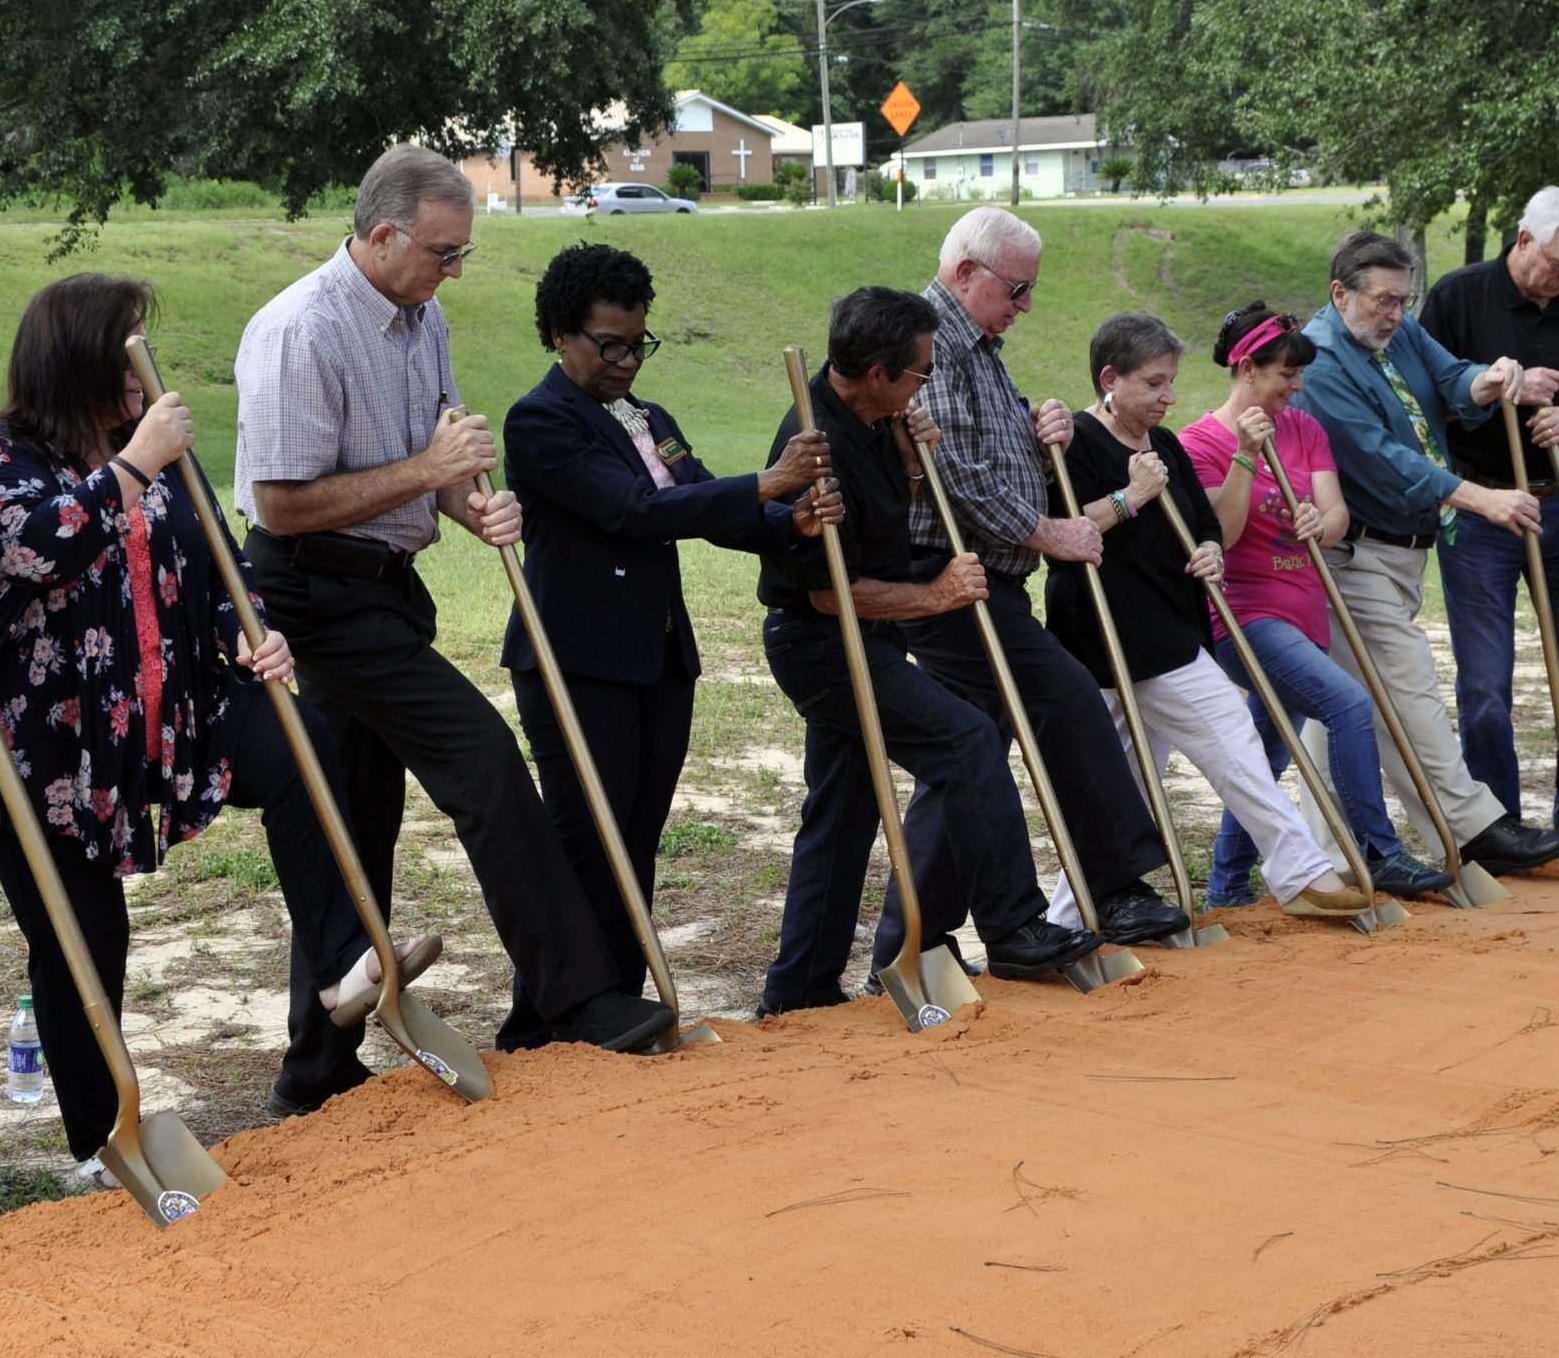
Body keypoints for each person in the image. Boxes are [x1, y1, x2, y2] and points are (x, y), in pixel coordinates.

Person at [0, 274, 428, 1186]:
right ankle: (104, 1136)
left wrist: (250, 635)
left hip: (172, 715)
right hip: (44, 746)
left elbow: (211, 561)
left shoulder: (152, 446)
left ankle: (340, 965)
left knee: (302, 745)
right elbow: (37, 550)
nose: (141, 371)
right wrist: (133, 468)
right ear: (77, 356)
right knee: (84, 941)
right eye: (125, 349)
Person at [234, 145, 675, 1091]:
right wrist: (427, 477)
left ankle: (314, 1068)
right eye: (442, 251)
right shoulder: (300, 331)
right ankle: (579, 997)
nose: (455, 270)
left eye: (461, 251)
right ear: (381, 234)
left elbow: (431, 459)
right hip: (311, 592)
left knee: (357, 823)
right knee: (483, 761)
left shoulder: (418, 313)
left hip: (387, 586)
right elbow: (281, 505)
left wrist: (470, 505)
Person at [495, 243, 841, 1044]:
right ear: (559, 334)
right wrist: (766, 484)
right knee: (590, 839)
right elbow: (631, 512)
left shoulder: (652, 420)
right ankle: (543, 1023)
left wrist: (792, 521)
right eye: (608, 344)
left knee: (637, 834)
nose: (624, 361)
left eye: (637, 342)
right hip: (575, 661)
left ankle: (611, 1000)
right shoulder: (540, 419)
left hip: (657, 659)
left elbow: (701, 505)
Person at [756, 287, 1103, 1013]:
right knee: (968, 738)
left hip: (861, 636)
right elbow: (832, 592)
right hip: (824, 643)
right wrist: (937, 595)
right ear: (878, 371)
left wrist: (914, 463)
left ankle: (798, 990)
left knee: (844, 808)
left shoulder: (879, 418)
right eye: (919, 370)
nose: (927, 381)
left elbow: (888, 519)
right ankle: (1012, 927)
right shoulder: (818, 444)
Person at [896, 207, 1191, 950]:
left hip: (988, 577)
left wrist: (1039, 429)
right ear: (967, 273)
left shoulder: (981, 345)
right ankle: (1113, 888)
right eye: (1017, 289)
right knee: (1065, 698)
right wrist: (1044, 529)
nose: (1027, 306)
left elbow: (997, 456)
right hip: (948, 577)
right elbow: (953, 478)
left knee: (967, 759)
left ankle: (912, 943)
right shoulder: (928, 342)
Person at [1040, 314, 1373, 921]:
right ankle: (1301, 871)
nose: (1169, 397)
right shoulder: (1075, 442)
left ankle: (1069, 917)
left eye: (1171, 383)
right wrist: (1131, 497)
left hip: (1167, 619)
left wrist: (1210, 546)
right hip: (1107, 628)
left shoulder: (1164, 443)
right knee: (1229, 730)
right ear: (1110, 379)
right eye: (1154, 384)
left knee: (1127, 782)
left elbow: (1203, 518)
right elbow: (1059, 530)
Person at [1299, 230, 1559, 874]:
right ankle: (1470, 828)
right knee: (1409, 689)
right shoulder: (1319, 360)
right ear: (1341, 293)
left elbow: (1453, 378)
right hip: (1354, 552)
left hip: (1401, 553)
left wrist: (1494, 378)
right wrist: (1483, 498)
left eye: (1404, 299)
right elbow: (1383, 460)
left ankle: (1326, 857)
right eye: (1383, 300)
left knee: (1338, 704)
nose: (1396, 313)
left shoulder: (1395, 334)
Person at [1177, 302, 1452, 903]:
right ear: (1248, 370)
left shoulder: (1303, 429)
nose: (1296, 386)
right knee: (1350, 705)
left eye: (1300, 375)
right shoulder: (1197, 443)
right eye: (1285, 375)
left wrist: (1319, 524)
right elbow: (1218, 534)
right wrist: (1247, 456)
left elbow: (1336, 513)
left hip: (1305, 609)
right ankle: (1379, 851)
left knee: (1265, 754)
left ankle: (1226, 888)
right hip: (1243, 616)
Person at [1422, 186, 1559, 846]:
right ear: (1522, 241)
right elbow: (1428, 403)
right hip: (1482, 506)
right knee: (1484, 685)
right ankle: (1500, 829)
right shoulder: (1458, 298)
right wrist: (1494, 386)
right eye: (1558, 265)